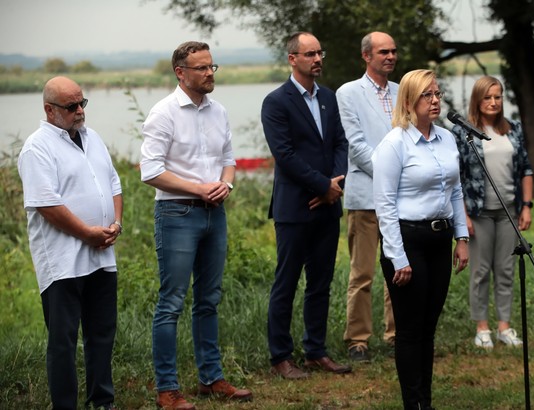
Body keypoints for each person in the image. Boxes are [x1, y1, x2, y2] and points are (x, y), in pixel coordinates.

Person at [140, 41, 252, 409]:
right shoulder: (163, 113)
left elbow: (228, 158)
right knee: (171, 302)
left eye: (211, 67)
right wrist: (199, 188)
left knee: (209, 300)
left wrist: (226, 184)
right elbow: (151, 171)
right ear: (181, 72)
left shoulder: (218, 111)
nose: (209, 73)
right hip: (176, 215)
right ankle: (167, 390)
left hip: (214, 213)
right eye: (201, 68)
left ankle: (210, 378)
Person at [18, 76, 122, 410]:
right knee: (63, 341)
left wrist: (114, 223)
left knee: (102, 333)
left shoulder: (93, 138)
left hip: (102, 255)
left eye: (82, 103)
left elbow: (114, 183)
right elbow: (47, 205)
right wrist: (87, 233)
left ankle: (101, 401)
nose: (80, 111)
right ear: (49, 110)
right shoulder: (37, 147)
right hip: (63, 262)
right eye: (71, 106)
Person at [372, 69, 469, 410]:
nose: (435, 100)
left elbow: (455, 190)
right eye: (428, 95)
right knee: (410, 330)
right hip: (408, 240)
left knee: (428, 327)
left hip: (439, 240)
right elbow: (383, 205)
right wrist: (398, 257)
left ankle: (424, 401)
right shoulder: (394, 144)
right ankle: (413, 403)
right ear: (410, 101)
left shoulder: (447, 138)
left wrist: (461, 237)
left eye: (438, 94)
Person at [261, 31, 351, 380]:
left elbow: (341, 143)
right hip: (295, 208)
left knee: (321, 283)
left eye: (319, 53)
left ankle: (316, 351)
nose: (318, 59)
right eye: (310, 54)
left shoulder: (328, 97)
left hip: (328, 206)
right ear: (292, 59)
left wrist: (335, 183)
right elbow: (284, 155)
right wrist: (321, 185)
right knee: (286, 282)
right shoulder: (276, 101)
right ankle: (280, 356)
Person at [452, 75, 534, 349]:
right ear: (477, 99)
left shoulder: (513, 129)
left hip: (509, 211)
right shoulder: (465, 133)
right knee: (481, 271)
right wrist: (462, 216)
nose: (493, 102)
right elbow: (457, 177)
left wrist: (527, 206)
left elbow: (525, 169)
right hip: (478, 213)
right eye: (487, 97)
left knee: (507, 269)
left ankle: (504, 327)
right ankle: (482, 328)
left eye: (497, 97)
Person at [335, 31, 398, 362]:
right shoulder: (348, 92)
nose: (389, 56)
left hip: (401, 198)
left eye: (393, 51)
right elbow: (356, 144)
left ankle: (396, 333)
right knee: (362, 273)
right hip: (366, 196)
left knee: (398, 268)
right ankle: (357, 338)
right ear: (367, 56)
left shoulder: (404, 92)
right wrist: (391, 173)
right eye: (383, 52)